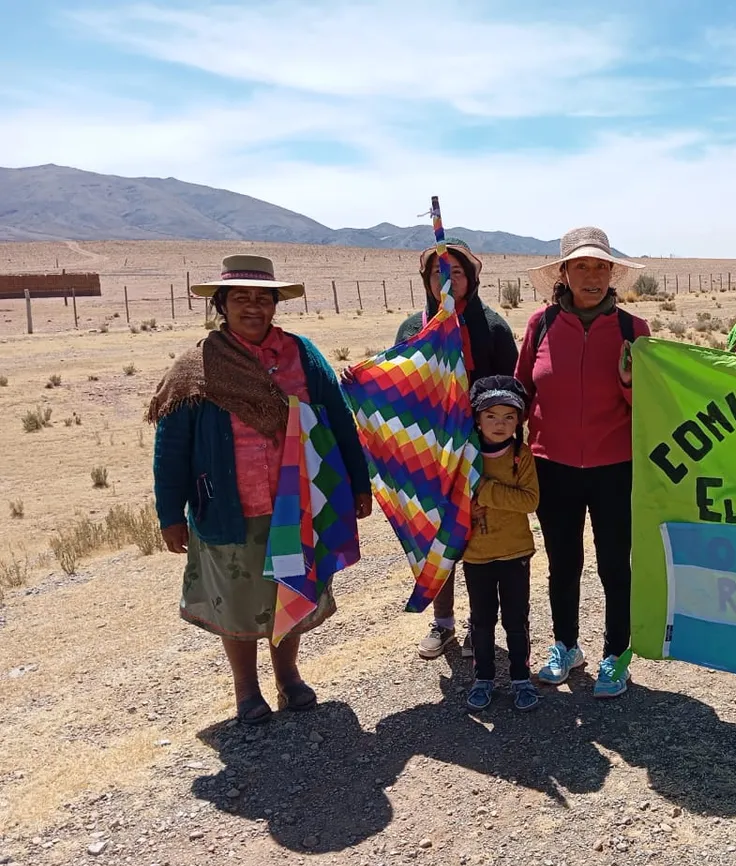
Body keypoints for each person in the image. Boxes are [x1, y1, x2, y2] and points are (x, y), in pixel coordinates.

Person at [149, 255, 372, 725]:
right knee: (237, 598)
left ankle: (288, 678)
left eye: (262, 298)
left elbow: (338, 421)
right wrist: (170, 513)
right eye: (240, 298)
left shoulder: (302, 355)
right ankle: (246, 691)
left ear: (274, 304)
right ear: (221, 304)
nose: (252, 307)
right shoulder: (197, 366)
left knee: (288, 590)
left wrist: (356, 481)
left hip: (297, 505)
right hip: (230, 507)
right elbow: (172, 446)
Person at [519, 227, 651, 698]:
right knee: (563, 563)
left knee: (616, 564)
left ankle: (616, 654)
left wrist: (630, 383)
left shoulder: (633, 330)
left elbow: (651, 407)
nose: (592, 276)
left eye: (600, 266)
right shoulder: (541, 324)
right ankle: (566, 645)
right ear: (564, 273)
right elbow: (522, 391)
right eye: (582, 266)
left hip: (616, 466)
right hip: (551, 466)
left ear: (612, 273)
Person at [394, 238, 519, 661]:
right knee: (438, 535)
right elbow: (398, 382)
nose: (447, 279)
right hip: (428, 451)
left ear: (473, 277)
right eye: (437, 272)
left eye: (458, 271)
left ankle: (477, 623)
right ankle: (442, 622)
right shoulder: (413, 328)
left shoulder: (494, 327)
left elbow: (513, 390)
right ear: (427, 280)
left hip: (482, 450)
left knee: (478, 533)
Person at [461, 376, 541, 712]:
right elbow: (449, 498)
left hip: (515, 551)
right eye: (491, 415)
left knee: (515, 617)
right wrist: (468, 503)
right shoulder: (462, 456)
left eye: (509, 417)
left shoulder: (521, 456)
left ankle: (522, 678)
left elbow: (530, 501)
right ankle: (484, 678)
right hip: (476, 554)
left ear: (519, 421)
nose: (500, 424)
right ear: (477, 419)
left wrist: (485, 491)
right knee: (481, 619)